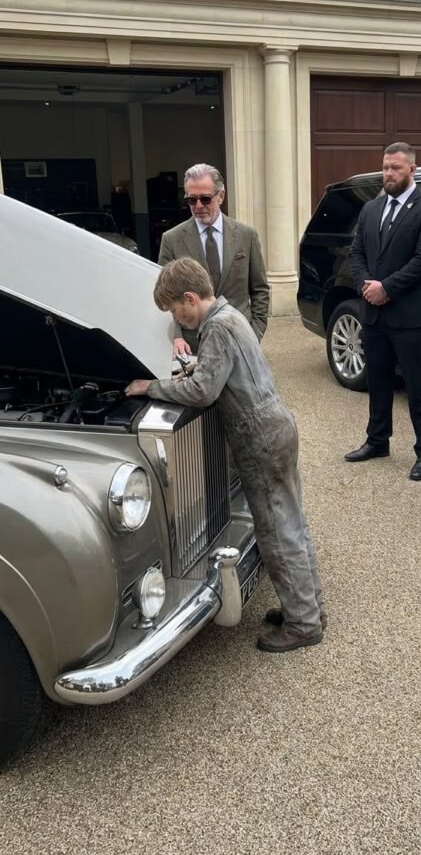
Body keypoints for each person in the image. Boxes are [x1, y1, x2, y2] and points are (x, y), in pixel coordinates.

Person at [125, 258, 325, 653]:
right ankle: (309, 607)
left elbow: (203, 392)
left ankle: (303, 624)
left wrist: (152, 386)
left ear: (188, 298)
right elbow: (222, 371)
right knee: (292, 520)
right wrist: (199, 366)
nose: (177, 319)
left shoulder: (214, 326)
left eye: (174, 310)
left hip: (258, 438)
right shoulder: (231, 315)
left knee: (275, 530)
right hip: (278, 426)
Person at [346, 142, 421, 480]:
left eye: (396, 168)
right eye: (386, 167)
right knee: (377, 380)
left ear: (412, 170)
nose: (388, 173)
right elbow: (357, 251)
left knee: (419, 386)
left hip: (411, 317)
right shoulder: (371, 209)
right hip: (374, 315)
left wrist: (386, 288)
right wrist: (366, 285)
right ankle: (377, 440)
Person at [158, 163, 269, 355]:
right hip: (193, 345)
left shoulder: (246, 235)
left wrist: (255, 332)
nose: (198, 206)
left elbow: (259, 289)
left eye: (205, 199)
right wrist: (176, 335)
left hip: (240, 340)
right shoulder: (172, 239)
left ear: (221, 196)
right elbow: (166, 297)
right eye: (192, 200)